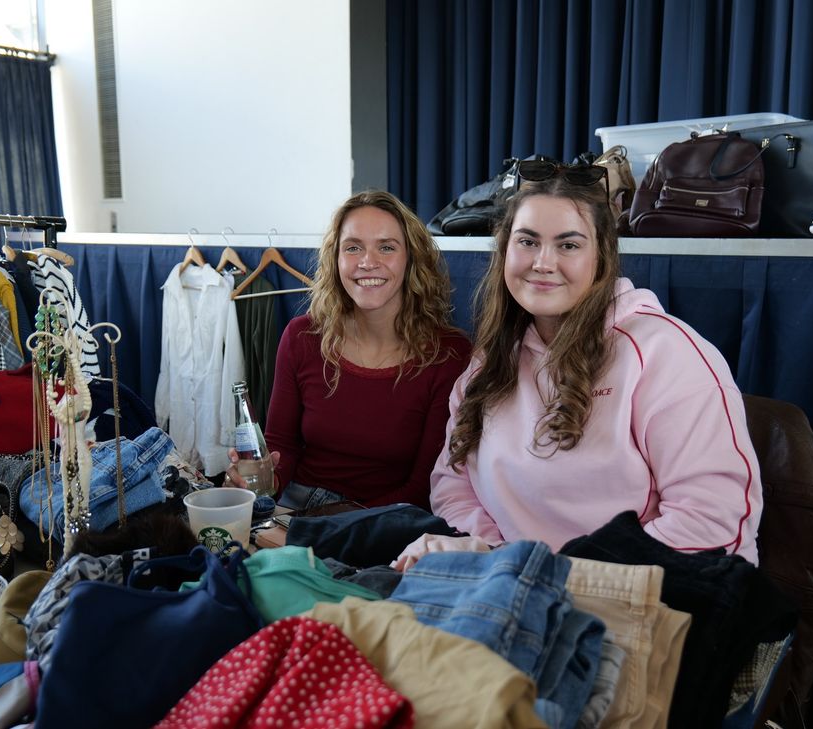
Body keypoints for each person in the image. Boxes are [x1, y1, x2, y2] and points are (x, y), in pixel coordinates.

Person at [430, 167, 763, 563]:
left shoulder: (666, 353)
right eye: (527, 241)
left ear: (602, 256)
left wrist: (560, 576)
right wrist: (498, 561)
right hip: (518, 588)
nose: (543, 262)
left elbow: (712, 522)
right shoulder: (487, 366)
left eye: (568, 245)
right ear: (504, 250)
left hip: (657, 593)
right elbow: (454, 487)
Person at [227, 191, 472, 510]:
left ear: (411, 258)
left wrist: (333, 527)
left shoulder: (449, 354)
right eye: (353, 247)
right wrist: (263, 480)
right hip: (297, 507)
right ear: (336, 259)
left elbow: (425, 486)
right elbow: (281, 444)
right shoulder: (302, 336)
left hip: (385, 520)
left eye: (386, 247)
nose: (368, 262)